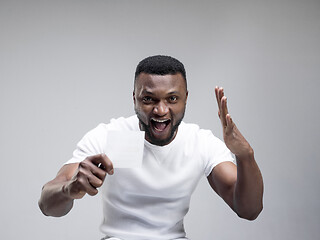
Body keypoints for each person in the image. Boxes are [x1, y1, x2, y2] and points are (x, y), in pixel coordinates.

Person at [38, 55, 263, 240]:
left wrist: (245, 156)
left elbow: (248, 210)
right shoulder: (110, 136)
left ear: (186, 98)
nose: (161, 110)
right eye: (149, 99)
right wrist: (69, 188)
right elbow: (47, 204)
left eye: (172, 99)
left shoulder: (200, 142)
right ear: (134, 99)